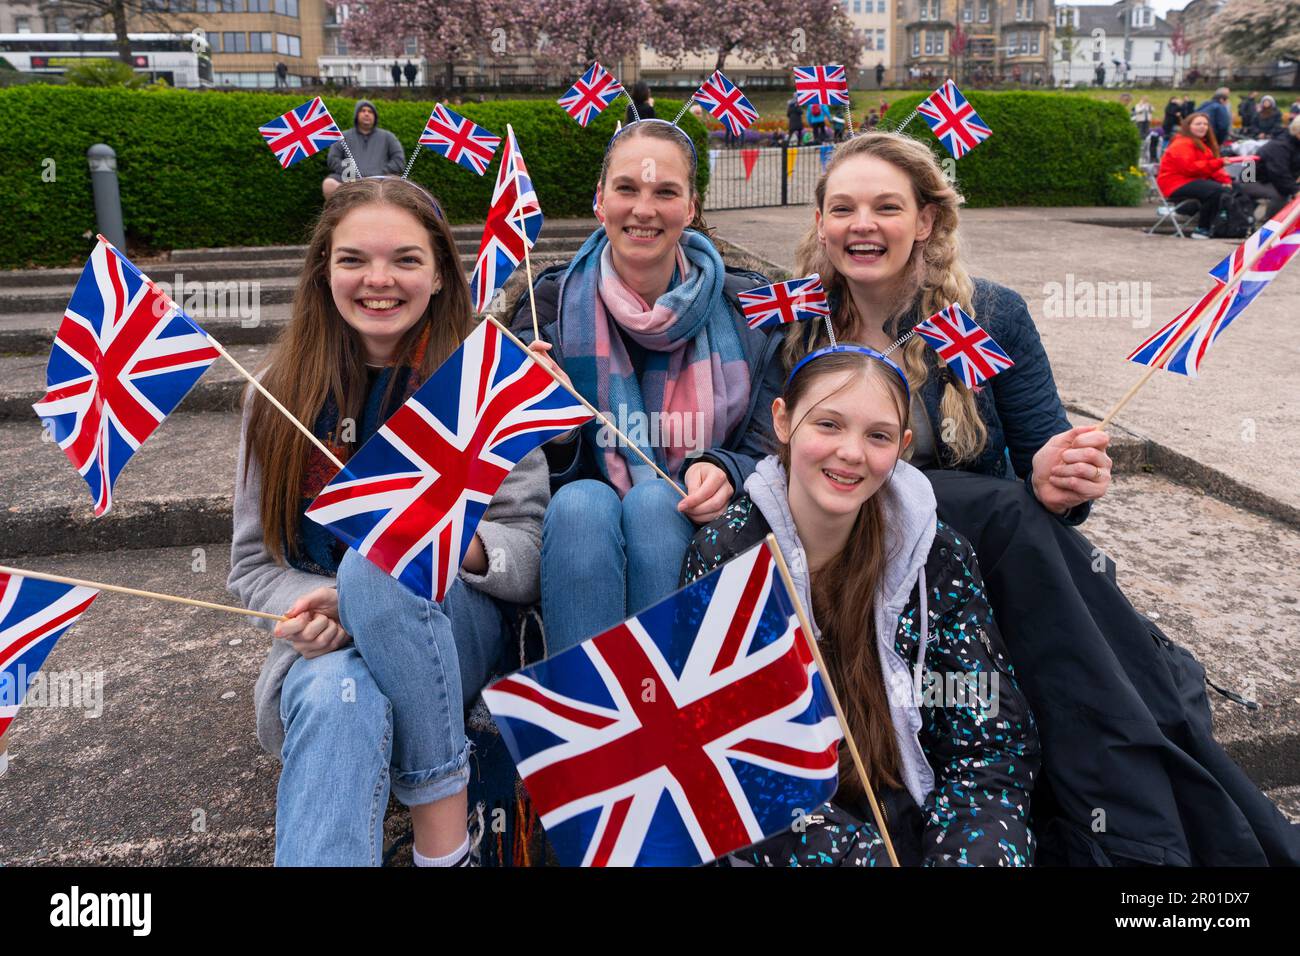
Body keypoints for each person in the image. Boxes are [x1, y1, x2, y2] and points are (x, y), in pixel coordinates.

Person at [784, 131, 1300, 865]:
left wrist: (1064, 479)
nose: (861, 224)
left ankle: (1145, 817)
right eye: (843, 208)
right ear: (822, 222)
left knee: (1020, 521)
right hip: (846, 553)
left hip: (975, 566)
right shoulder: (791, 318)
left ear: (926, 220)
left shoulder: (992, 313)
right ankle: (1132, 820)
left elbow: (1044, 465)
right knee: (1001, 515)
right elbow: (756, 447)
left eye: (886, 206)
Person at [229, 178, 550, 866]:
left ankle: (438, 832)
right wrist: (308, 610)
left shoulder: (484, 384)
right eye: (353, 260)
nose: (379, 280)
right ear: (324, 271)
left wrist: (452, 545)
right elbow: (253, 566)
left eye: (405, 259)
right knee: (338, 695)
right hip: (327, 654)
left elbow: (526, 554)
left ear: (438, 274)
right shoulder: (276, 398)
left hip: (450, 637)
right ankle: (448, 856)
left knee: (377, 561)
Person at [682, 346, 1040, 866]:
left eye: (878, 435)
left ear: (903, 446)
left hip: (915, 819)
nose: (851, 452)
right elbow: (738, 769)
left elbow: (987, 745)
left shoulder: (936, 558)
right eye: (828, 424)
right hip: (793, 841)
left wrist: (966, 856)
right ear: (783, 421)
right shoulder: (729, 556)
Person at [508, 119, 783, 657]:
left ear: (692, 206)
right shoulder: (548, 308)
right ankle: (588, 719)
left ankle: (669, 707)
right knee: (583, 501)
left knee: (657, 501)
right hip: (580, 539)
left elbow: (772, 447)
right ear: (599, 200)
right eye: (627, 188)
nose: (643, 209)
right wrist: (552, 428)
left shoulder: (752, 309)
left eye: (665, 192)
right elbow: (521, 473)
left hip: (713, 536)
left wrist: (728, 469)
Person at [1157, 111, 1255, 238]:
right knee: (1217, 191)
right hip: (1175, 183)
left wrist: (1226, 180)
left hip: (1192, 180)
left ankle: (1240, 225)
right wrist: (1219, 163)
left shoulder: (1202, 144)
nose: (1203, 126)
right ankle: (1202, 228)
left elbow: (1212, 168)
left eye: (1205, 124)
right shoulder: (1181, 143)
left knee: (1236, 187)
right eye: (1198, 124)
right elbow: (1190, 168)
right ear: (1188, 126)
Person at [322, 100, 405, 198]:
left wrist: (379, 173)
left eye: (370, 111)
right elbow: (333, 159)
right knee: (329, 184)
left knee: (400, 186)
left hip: (382, 181)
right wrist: (352, 174)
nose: (366, 114)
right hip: (350, 181)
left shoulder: (388, 137)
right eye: (363, 110)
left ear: (375, 116)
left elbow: (399, 160)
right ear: (357, 114)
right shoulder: (343, 136)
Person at [1245, 115, 1300, 219]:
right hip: (1249, 178)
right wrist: (1295, 190)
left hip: (1269, 178)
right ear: (1298, 132)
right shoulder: (1280, 146)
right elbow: (1279, 173)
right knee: (1281, 194)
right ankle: (1270, 225)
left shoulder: (1294, 143)